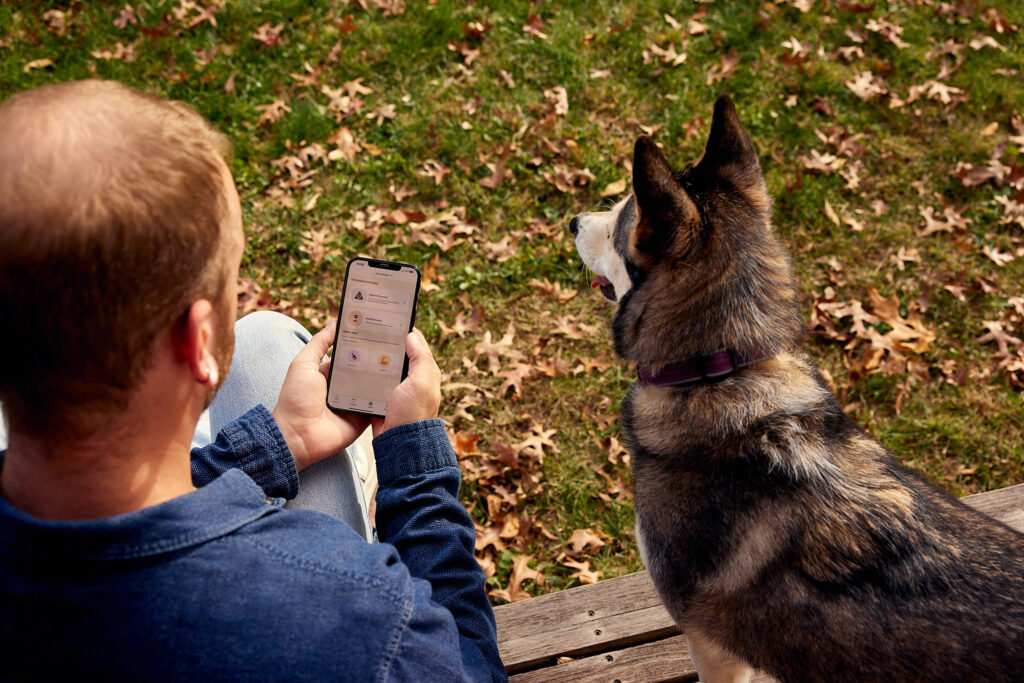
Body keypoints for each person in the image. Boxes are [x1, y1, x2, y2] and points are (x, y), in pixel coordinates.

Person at [0, 80, 505, 681]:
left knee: (264, 335)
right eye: (230, 278)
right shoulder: (356, 616)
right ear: (198, 342)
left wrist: (276, 445)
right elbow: (471, 668)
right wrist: (416, 466)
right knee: (268, 337)